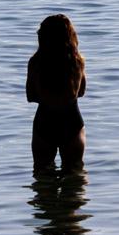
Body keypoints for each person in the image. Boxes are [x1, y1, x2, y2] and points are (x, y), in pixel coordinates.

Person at [26, 14, 87, 174]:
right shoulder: (77, 62)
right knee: (75, 183)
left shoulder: (35, 63)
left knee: (42, 181)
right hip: (72, 121)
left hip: (45, 122)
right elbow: (81, 93)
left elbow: (31, 96)